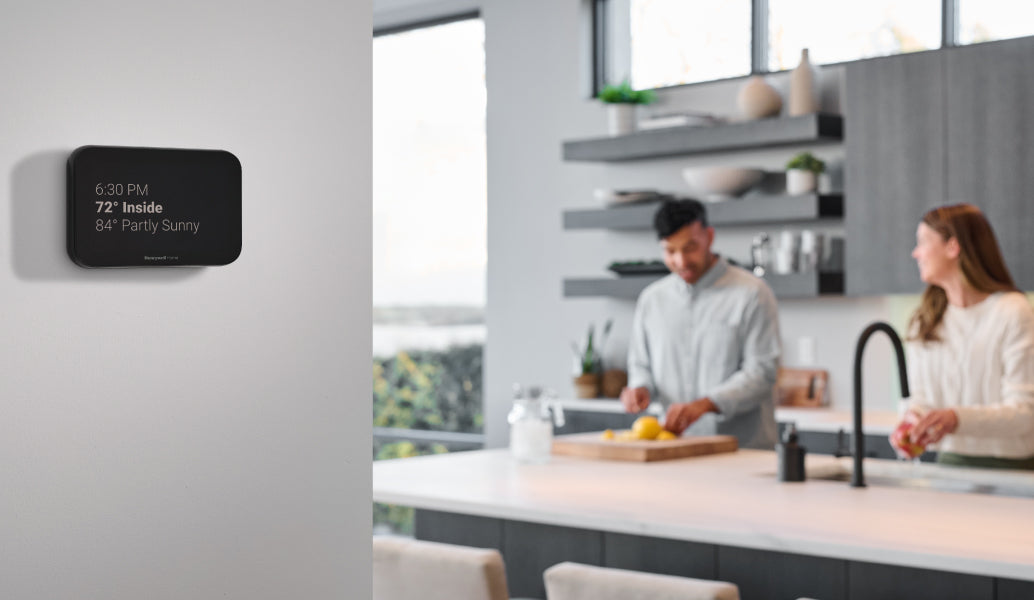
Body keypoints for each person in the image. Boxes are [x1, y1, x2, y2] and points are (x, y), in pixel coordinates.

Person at [620, 199, 780, 449]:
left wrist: (705, 404)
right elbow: (640, 364)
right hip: (673, 448)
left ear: (709, 236)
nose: (681, 261)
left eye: (690, 247)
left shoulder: (751, 294)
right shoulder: (652, 300)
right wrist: (639, 387)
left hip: (743, 452)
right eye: (670, 251)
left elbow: (762, 373)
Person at [891, 203, 1034, 469]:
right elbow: (922, 397)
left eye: (923, 242)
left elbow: (1025, 413)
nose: (915, 253)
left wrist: (956, 419)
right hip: (950, 464)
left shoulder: (1013, 312)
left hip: (1012, 468)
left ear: (952, 247)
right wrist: (913, 420)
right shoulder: (926, 320)